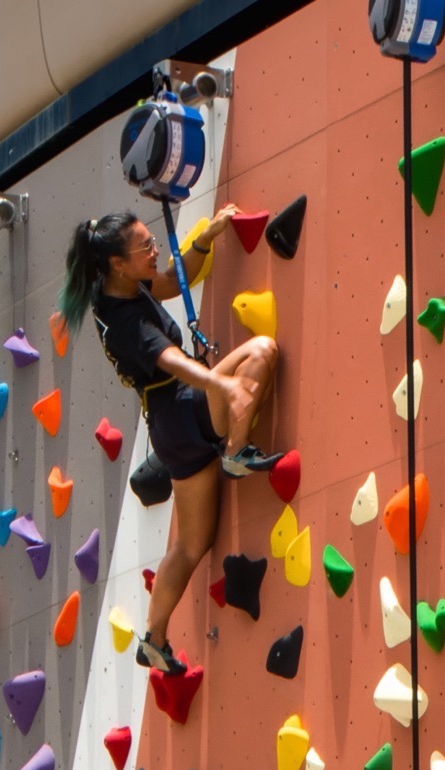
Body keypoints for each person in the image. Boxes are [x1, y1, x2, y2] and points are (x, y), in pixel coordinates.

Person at [58, 206, 282, 674]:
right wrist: (221, 385)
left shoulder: (117, 288)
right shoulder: (125, 323)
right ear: (119, 262)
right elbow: (172, 361)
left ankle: (153, 642)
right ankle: (237, 451)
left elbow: (177, 280)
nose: (154, 250)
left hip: (170, 430)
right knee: (262, 350)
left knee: (189, 546)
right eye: (145, 247)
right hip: (186, 408)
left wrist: (206, 238)